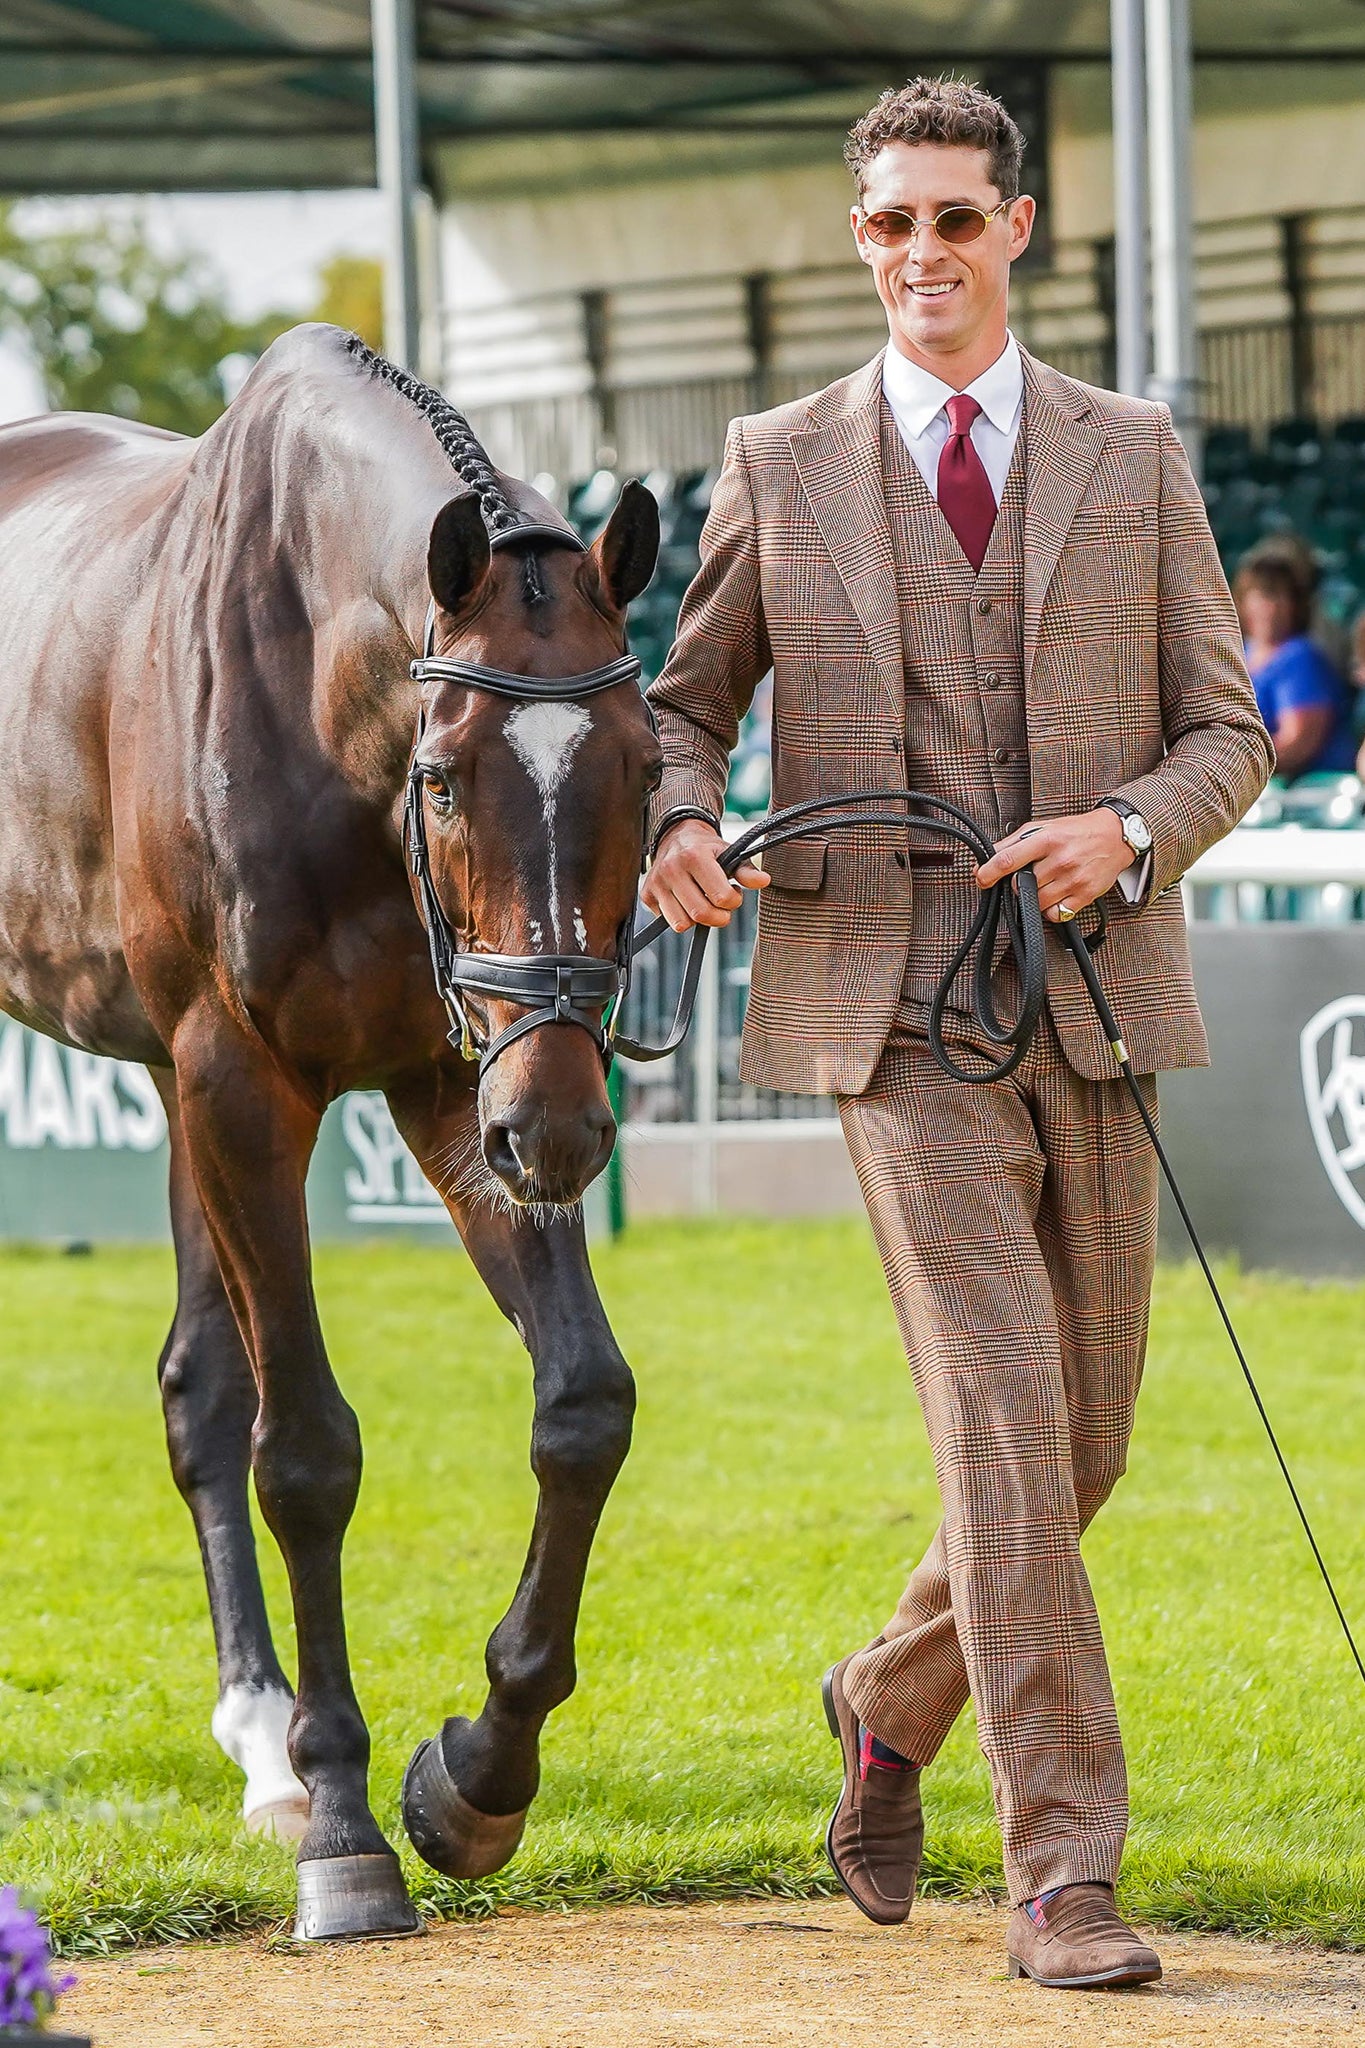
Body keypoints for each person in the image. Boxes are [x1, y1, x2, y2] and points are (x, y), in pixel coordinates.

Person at [641, 76, 1272, 1992]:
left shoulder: (1132, 451)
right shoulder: (777, 457)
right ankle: (1064, 1869)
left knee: (1084, 1445)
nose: (924, 250)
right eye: (892, 221)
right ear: (862, 238)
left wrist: (1127, 827)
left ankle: (885, 1696)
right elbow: (684, 704)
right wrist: (679, 819)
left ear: (1016, 231)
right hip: (889, 1016)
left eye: (957, 217)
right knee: (1005, 1428)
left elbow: (1227, 732)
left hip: (1097, 1003)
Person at [1233, 554, 1355, 777]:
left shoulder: (1300, 657)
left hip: (1310, 788)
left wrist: (1232, 768)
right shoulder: (1240, 653)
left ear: (1295, 605)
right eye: (1259, 596)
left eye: (1277, 596)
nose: (1268, 607)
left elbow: (1297, 744)